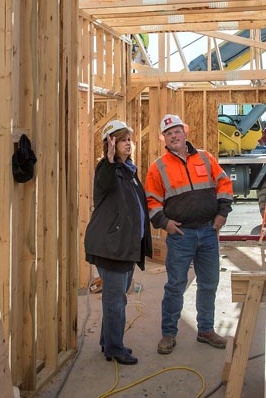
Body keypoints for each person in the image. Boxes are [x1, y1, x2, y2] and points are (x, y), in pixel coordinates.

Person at [145, 114, 234, 354]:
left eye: (177, 131)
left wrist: (223, 212)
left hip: (208, 232)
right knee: (175, 285)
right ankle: (168, 334)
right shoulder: (158, 167)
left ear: (185, 133)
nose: (174, 136)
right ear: (164, 138)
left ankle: (205, 330)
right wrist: (165, 223)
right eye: (169, 133)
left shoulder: (205, 158)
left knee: (209, 283)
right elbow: (151, 201)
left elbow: (224, 184)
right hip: (180, 235)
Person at [84, 120, 152, 365]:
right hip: (110, 248)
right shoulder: (107, 170)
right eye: (122, 140)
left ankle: (107, 341)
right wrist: (111, 159)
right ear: (110, 144)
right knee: (116, 301)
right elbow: (105, 182)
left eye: (128, 140)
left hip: (125, 247)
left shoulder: (128, 171)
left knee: (117, 296)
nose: (128, 144)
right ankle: (115, 348)